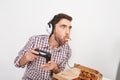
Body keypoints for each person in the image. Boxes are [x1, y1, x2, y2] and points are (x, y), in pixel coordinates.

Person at [14, 13, 72, 80]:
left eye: (69, 28)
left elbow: (60, 75)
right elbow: (16, 63)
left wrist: (55, 68)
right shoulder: (34, 40)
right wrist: (26, 58)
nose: (68, 32)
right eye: (63, 26)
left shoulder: (67, 50)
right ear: (52, 28)